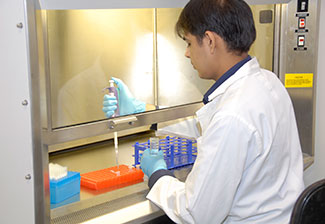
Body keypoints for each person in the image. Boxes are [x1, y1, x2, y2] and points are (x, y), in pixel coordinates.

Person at [139, 0, 304, 223]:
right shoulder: (268, 81)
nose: (187, 54)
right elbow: (210, 123)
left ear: (209, 41)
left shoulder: (233, 114)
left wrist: (158, 176)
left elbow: (197, 213)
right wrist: (150, 118)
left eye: (189, 43)